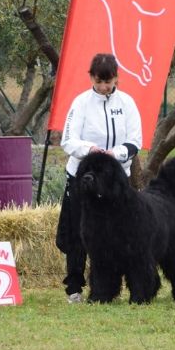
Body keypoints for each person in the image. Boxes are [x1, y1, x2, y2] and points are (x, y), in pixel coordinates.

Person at [55, 53, 143, 303]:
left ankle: (110, 286)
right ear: (91, 77)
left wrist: (115, 154)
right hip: (84, 176)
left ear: (117, 77)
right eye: (99, 81)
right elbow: (68, 140)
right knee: (78, 231)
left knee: (119, 232)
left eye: (109, 81)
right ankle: (74, 286)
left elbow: (135, 140)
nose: (104, 87)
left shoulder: (127, 103)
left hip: (116, 180)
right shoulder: (81, 103)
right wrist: (90, 150)